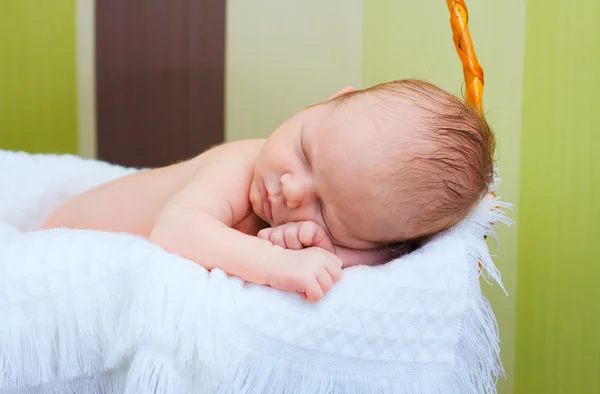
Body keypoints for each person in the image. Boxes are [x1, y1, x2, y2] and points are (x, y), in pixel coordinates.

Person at [40, 79, 495, 302]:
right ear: (330, 99)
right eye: (305, 152)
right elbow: (175, 229)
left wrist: (328, 249)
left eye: (327, 213)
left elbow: (353, 259)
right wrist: (277, 262)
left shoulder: (312, 219)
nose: (293, 191)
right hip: (59, 241)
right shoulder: (240, 165)